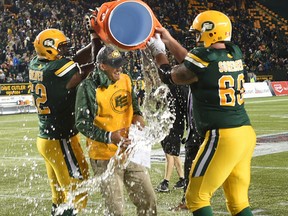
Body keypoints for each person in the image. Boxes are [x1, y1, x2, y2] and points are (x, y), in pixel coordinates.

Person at [148, 10, 256, 216]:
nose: (196, 37)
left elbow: (168, 75)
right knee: (238, 202)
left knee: (196, 199)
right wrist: (169, 39)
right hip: (245, 133)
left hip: (223, 136)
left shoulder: (202, 60)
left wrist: (158, 51)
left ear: (211, 32)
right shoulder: (234, 51)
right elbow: (192, 62)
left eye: (199, 32)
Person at [75, 45, 157, 216]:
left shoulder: (126, 79)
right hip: (105, 157)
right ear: (102, 66)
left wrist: (139, 119)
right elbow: (82, 123)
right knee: (115, 210)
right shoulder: (88, 87)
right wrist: (109, 136)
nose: (119, 68)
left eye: (120, 63)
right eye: (114, 64)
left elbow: (135, 108)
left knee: (148, 200)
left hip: (130, 151)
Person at [29, 28, 102, 216]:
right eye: (61, 47)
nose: (65, 50)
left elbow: (74, 61)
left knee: (60, 196)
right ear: (49, 49)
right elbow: (96, 64)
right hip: (61, 140)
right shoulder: (56, 69)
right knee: (76, 190)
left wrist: (97, 38)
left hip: (47, 139)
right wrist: (95, 37)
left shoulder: (37, 64)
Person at [155, 84, 187, 193]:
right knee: (173, 153)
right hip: (169, 124)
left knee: (169, 153)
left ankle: (165, 182)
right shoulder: (173, 88)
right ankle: (182, 179)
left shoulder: (178, 89)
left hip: (174, 125)